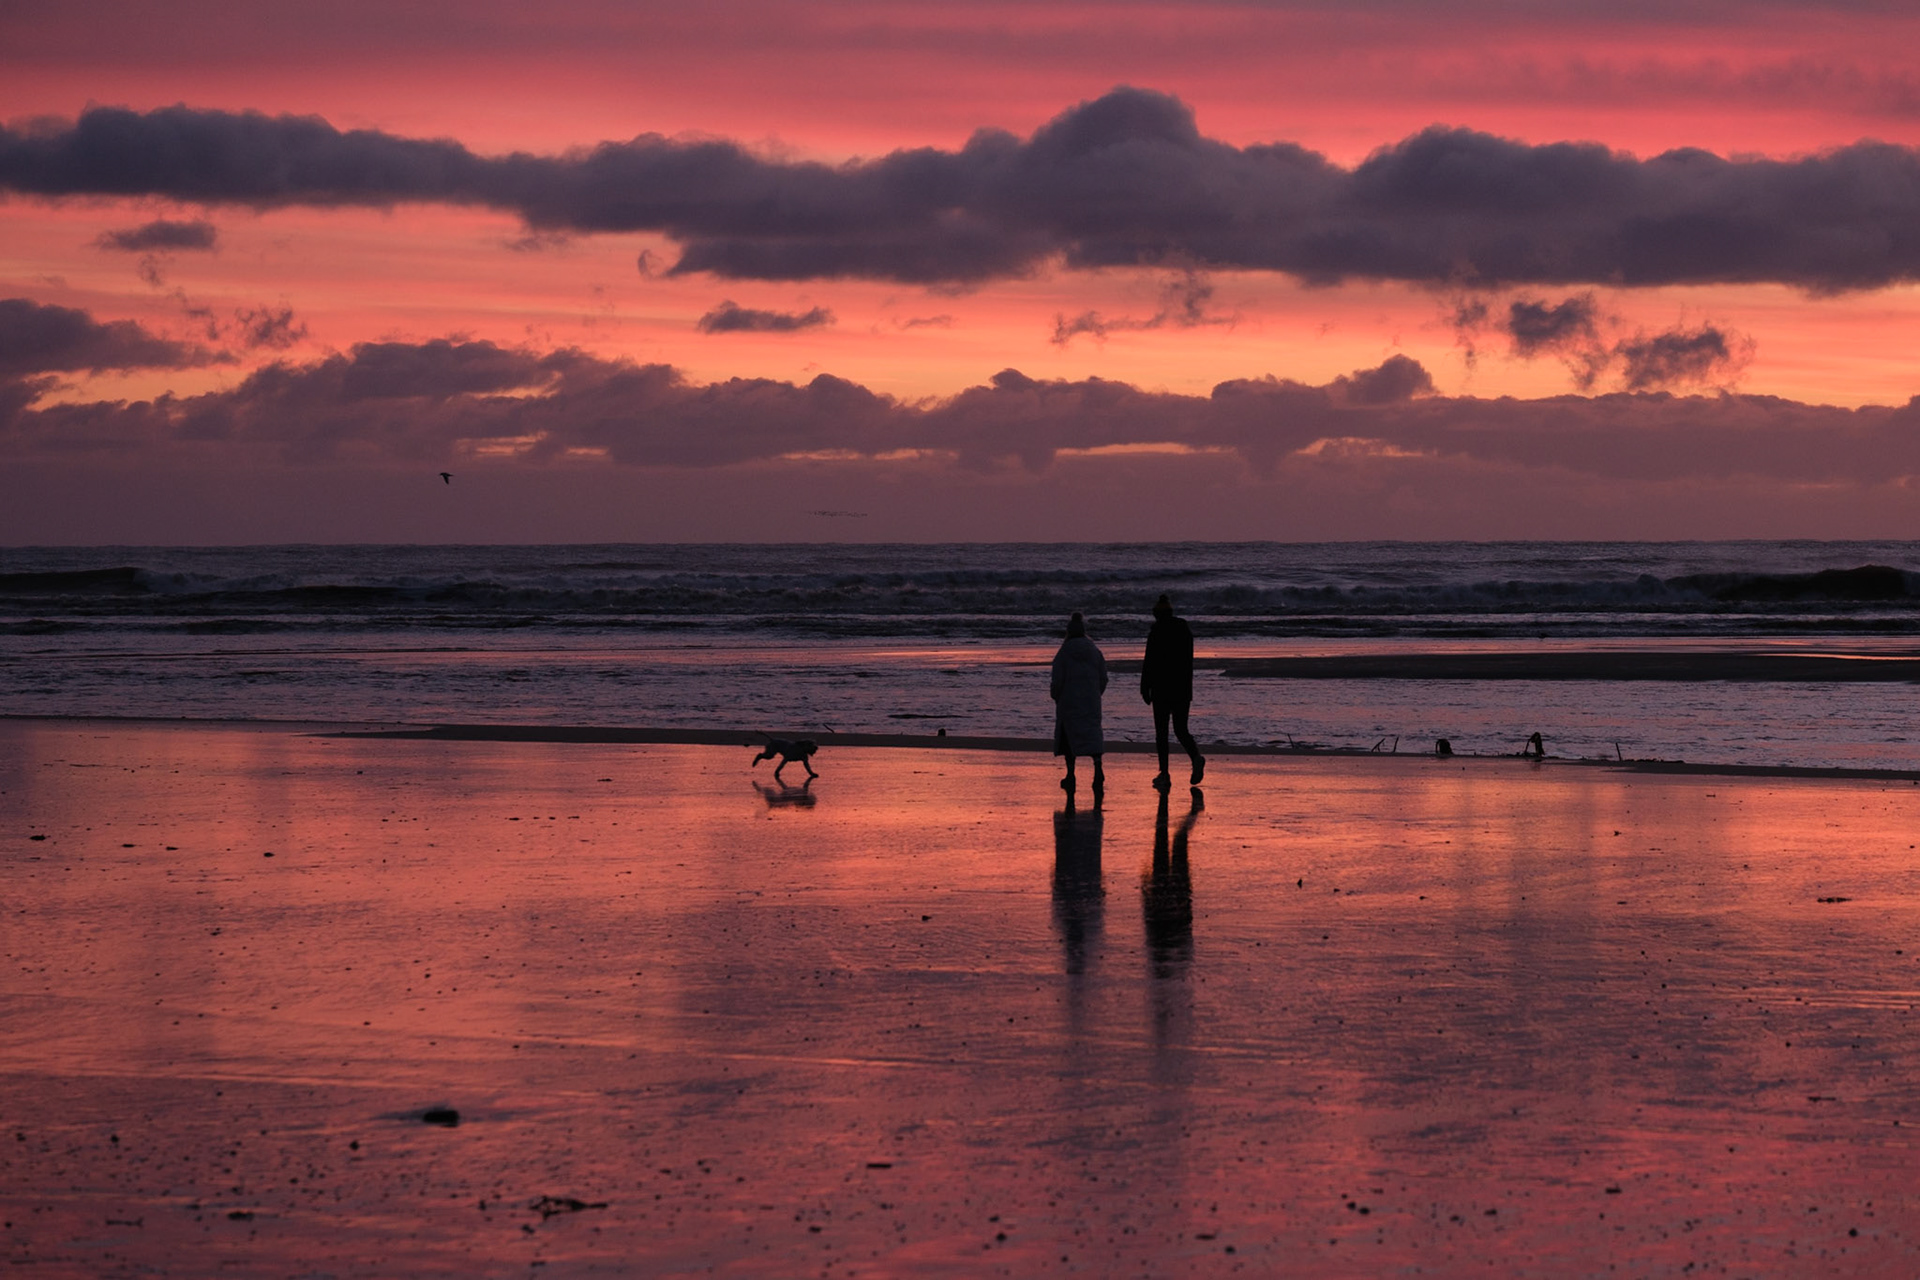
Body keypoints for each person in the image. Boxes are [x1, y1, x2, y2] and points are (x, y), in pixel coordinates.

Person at [1140, 593, 1204, 790]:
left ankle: (1165, 773)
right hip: (1182, 688)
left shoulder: (1157, 632)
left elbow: (1149, 662)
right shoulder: (1184, 631)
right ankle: (1195, 757)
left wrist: (1145, 687)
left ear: (1157, 615)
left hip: (1161, 688)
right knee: (1180, 729)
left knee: (1162, 732)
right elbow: (1188, 662)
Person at [1050, 612, 1107, 796]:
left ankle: (1071, 775)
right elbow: (1103, 678)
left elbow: (1057, 681)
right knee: (1092, 735)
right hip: (1091, 701)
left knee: (1069, 739)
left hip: (1069, 701)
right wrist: (1095, 694)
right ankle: (1098, 770)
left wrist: (1056, 695)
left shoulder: (1064, 653)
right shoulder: (1094, 650)